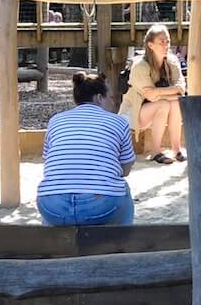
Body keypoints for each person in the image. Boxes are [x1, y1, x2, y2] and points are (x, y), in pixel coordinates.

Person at [38, 71, 136, 226]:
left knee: (53, 189)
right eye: (110, 97)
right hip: (101, 204)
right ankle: (122, 243)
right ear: (98, 98)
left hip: (51, 205)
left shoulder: (55, 121)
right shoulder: (118, 122)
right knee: (123, 189)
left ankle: (54, 244)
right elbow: (126, 169)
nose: (114, 103)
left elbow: (48, 162)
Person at [118, 23, 186, 164]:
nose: (166, 45)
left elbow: (181, 88)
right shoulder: (140, 66)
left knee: (174, 103)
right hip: (132, 114)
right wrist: (171, 93)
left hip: (152, 107)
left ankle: (176, 149)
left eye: (168, 41)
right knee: (164, 104)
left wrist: (162, 93)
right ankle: (155, 151)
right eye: (161, 42)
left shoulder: (172, 61)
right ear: (150, 45)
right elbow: (150, 95)